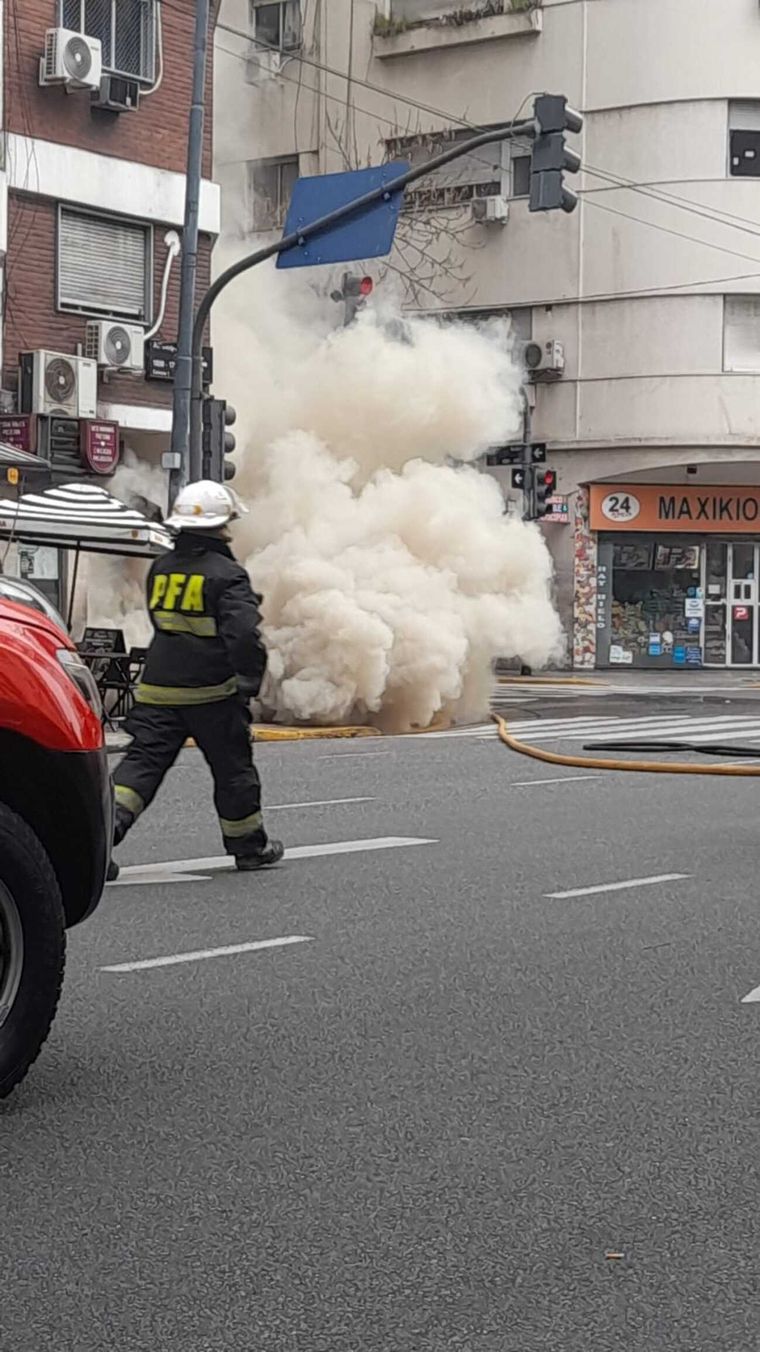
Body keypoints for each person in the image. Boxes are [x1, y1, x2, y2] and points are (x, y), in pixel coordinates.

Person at [108, 480, 283, 880]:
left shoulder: (161, 567)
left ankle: (96, 845)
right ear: (220, 526)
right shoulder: (227, 574)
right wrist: (248, 679)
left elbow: (162, 623)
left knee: (140, 768)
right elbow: (243, 635)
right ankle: (248, 847)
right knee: (233, 770)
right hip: (211, 695)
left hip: (158, 690)